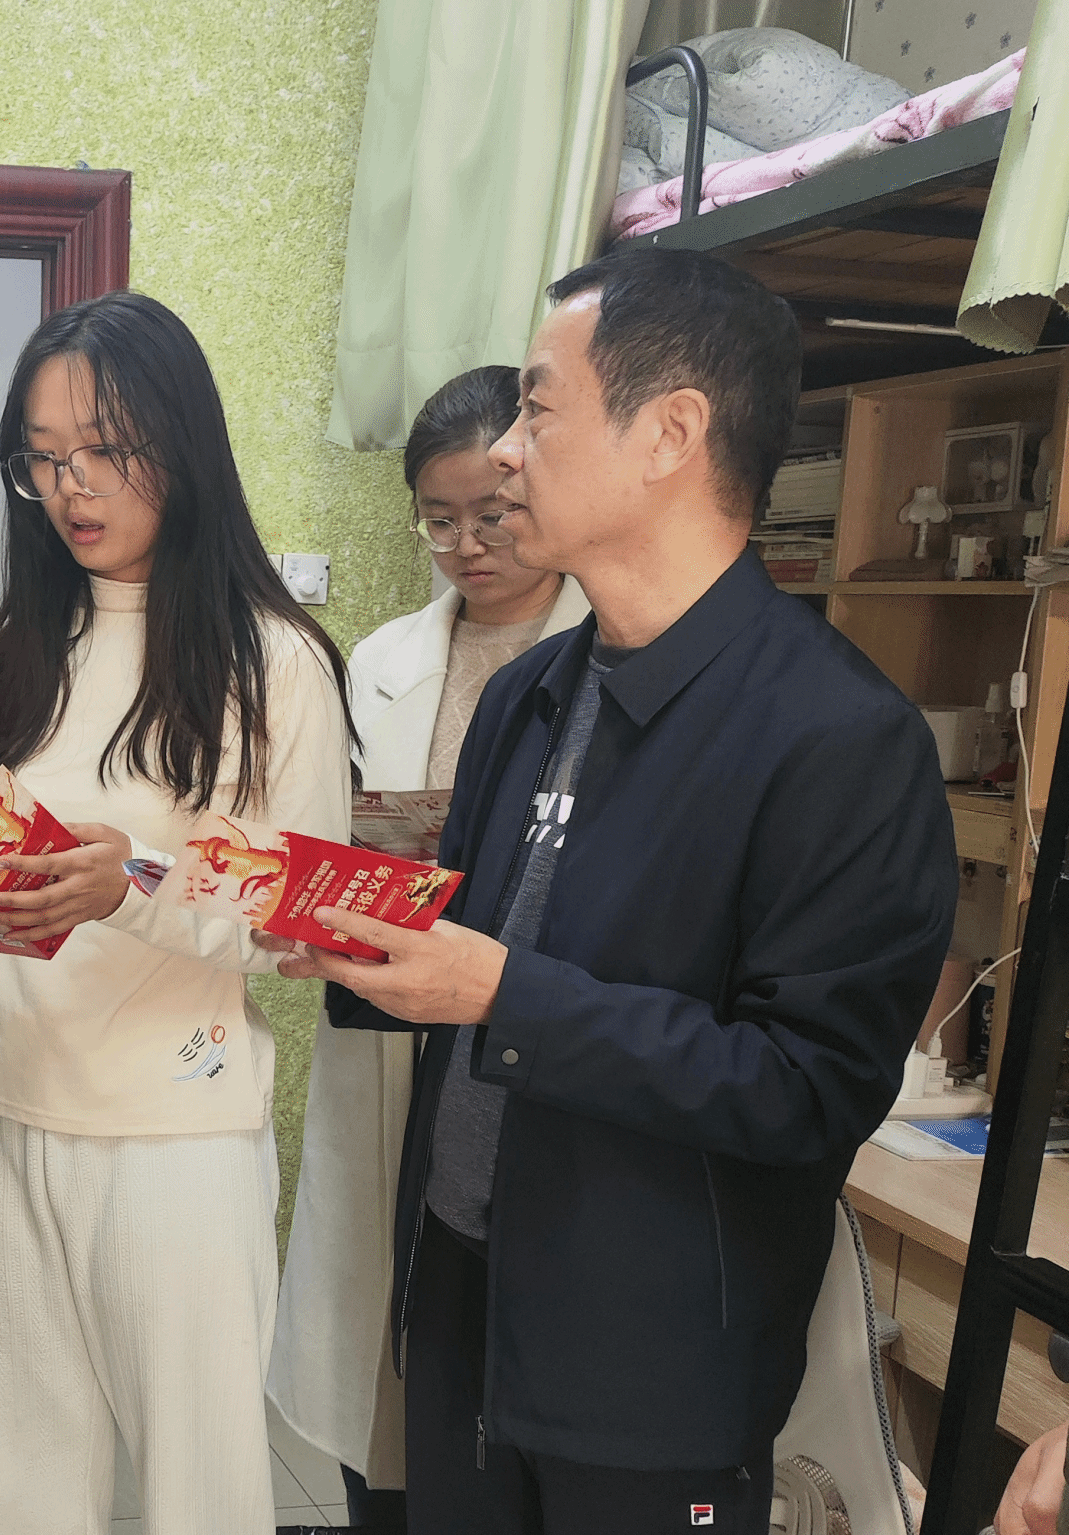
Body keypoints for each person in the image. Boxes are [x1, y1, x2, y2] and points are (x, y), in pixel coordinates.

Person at [268, 245, 956, 1533]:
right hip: (463, 1302)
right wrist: (364, 942)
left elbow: (805, 1087)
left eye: (536, 407)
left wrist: (500, 989)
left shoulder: (837, 737)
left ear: (669, 434)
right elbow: (481, 954)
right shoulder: (532, 694)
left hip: (649, 1374)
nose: (504, 450)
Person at [0, 290, 354, 1535]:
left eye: (104, 450)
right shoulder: (7, 653)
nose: (69, 487)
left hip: (172, 1126)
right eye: (41, 457)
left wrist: (132, 882)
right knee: (18, 1473)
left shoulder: (274, 662)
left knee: (199, 1487)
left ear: (182, 444)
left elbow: (300, 921)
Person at [266, 364, 587, 1534]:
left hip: (522, 1037)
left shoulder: (606, 648)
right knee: (383, 1382)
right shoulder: (381, 659)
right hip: (388, 1039)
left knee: (508, 1384)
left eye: (488, 516)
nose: (465, 546)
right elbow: (333, 833)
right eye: (437, 520)